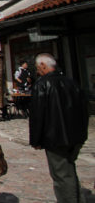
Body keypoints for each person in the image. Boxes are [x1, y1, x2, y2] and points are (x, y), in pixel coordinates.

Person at [30, 53, 88, 202]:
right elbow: (84, 111)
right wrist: (83, 135)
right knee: (69, 170)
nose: (38, 71)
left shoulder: (42, 84)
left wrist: (35, 140)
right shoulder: (72, 82)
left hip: (55, 138)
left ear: (43, 65)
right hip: (75, 136)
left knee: (61, 175)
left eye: (38, 67)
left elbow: (38, 116)